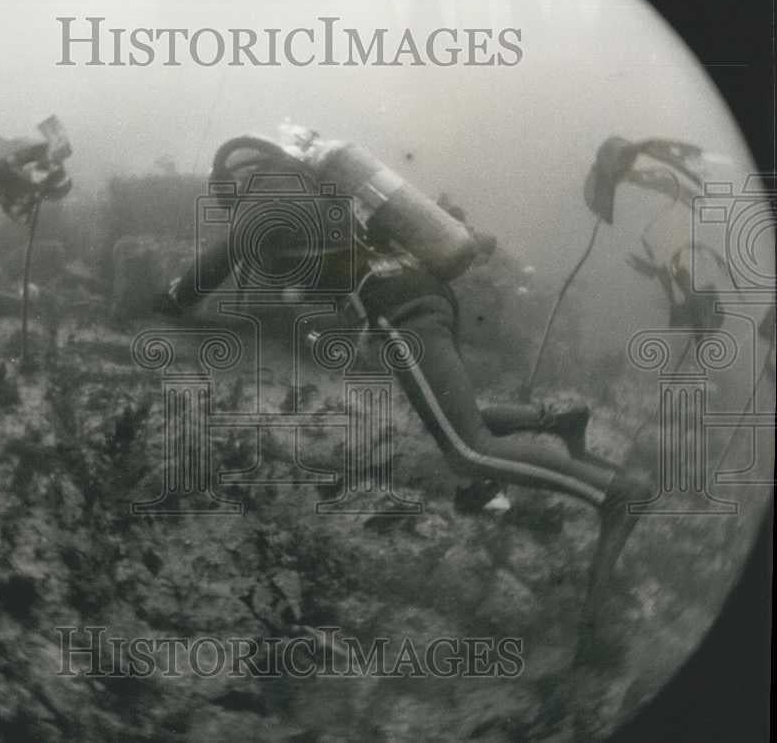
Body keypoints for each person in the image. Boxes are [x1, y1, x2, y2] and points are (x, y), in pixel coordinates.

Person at [155, 133, 652, 660]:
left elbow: (207, 272)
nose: (230, 205)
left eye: (226, 197)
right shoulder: (323, 187)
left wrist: (167, 301)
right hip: (426, 296)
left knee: (467, 449)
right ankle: (556, 420)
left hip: (401, 312)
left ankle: (614, 494)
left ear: (234, 183)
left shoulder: (263, 202)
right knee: (455, 417)